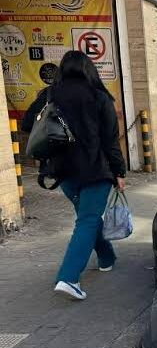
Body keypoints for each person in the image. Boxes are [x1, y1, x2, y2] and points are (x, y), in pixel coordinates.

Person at [22, 50, 126, 301]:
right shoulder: (99, 97)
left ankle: (106, 257)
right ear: (89, 70)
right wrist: (119, 172)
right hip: (95, 170)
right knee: (88, 221)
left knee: (87, 218)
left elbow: (27, 125)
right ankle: (68, 278)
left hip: (62, 172)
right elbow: (110, 141)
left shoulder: (49, 95)